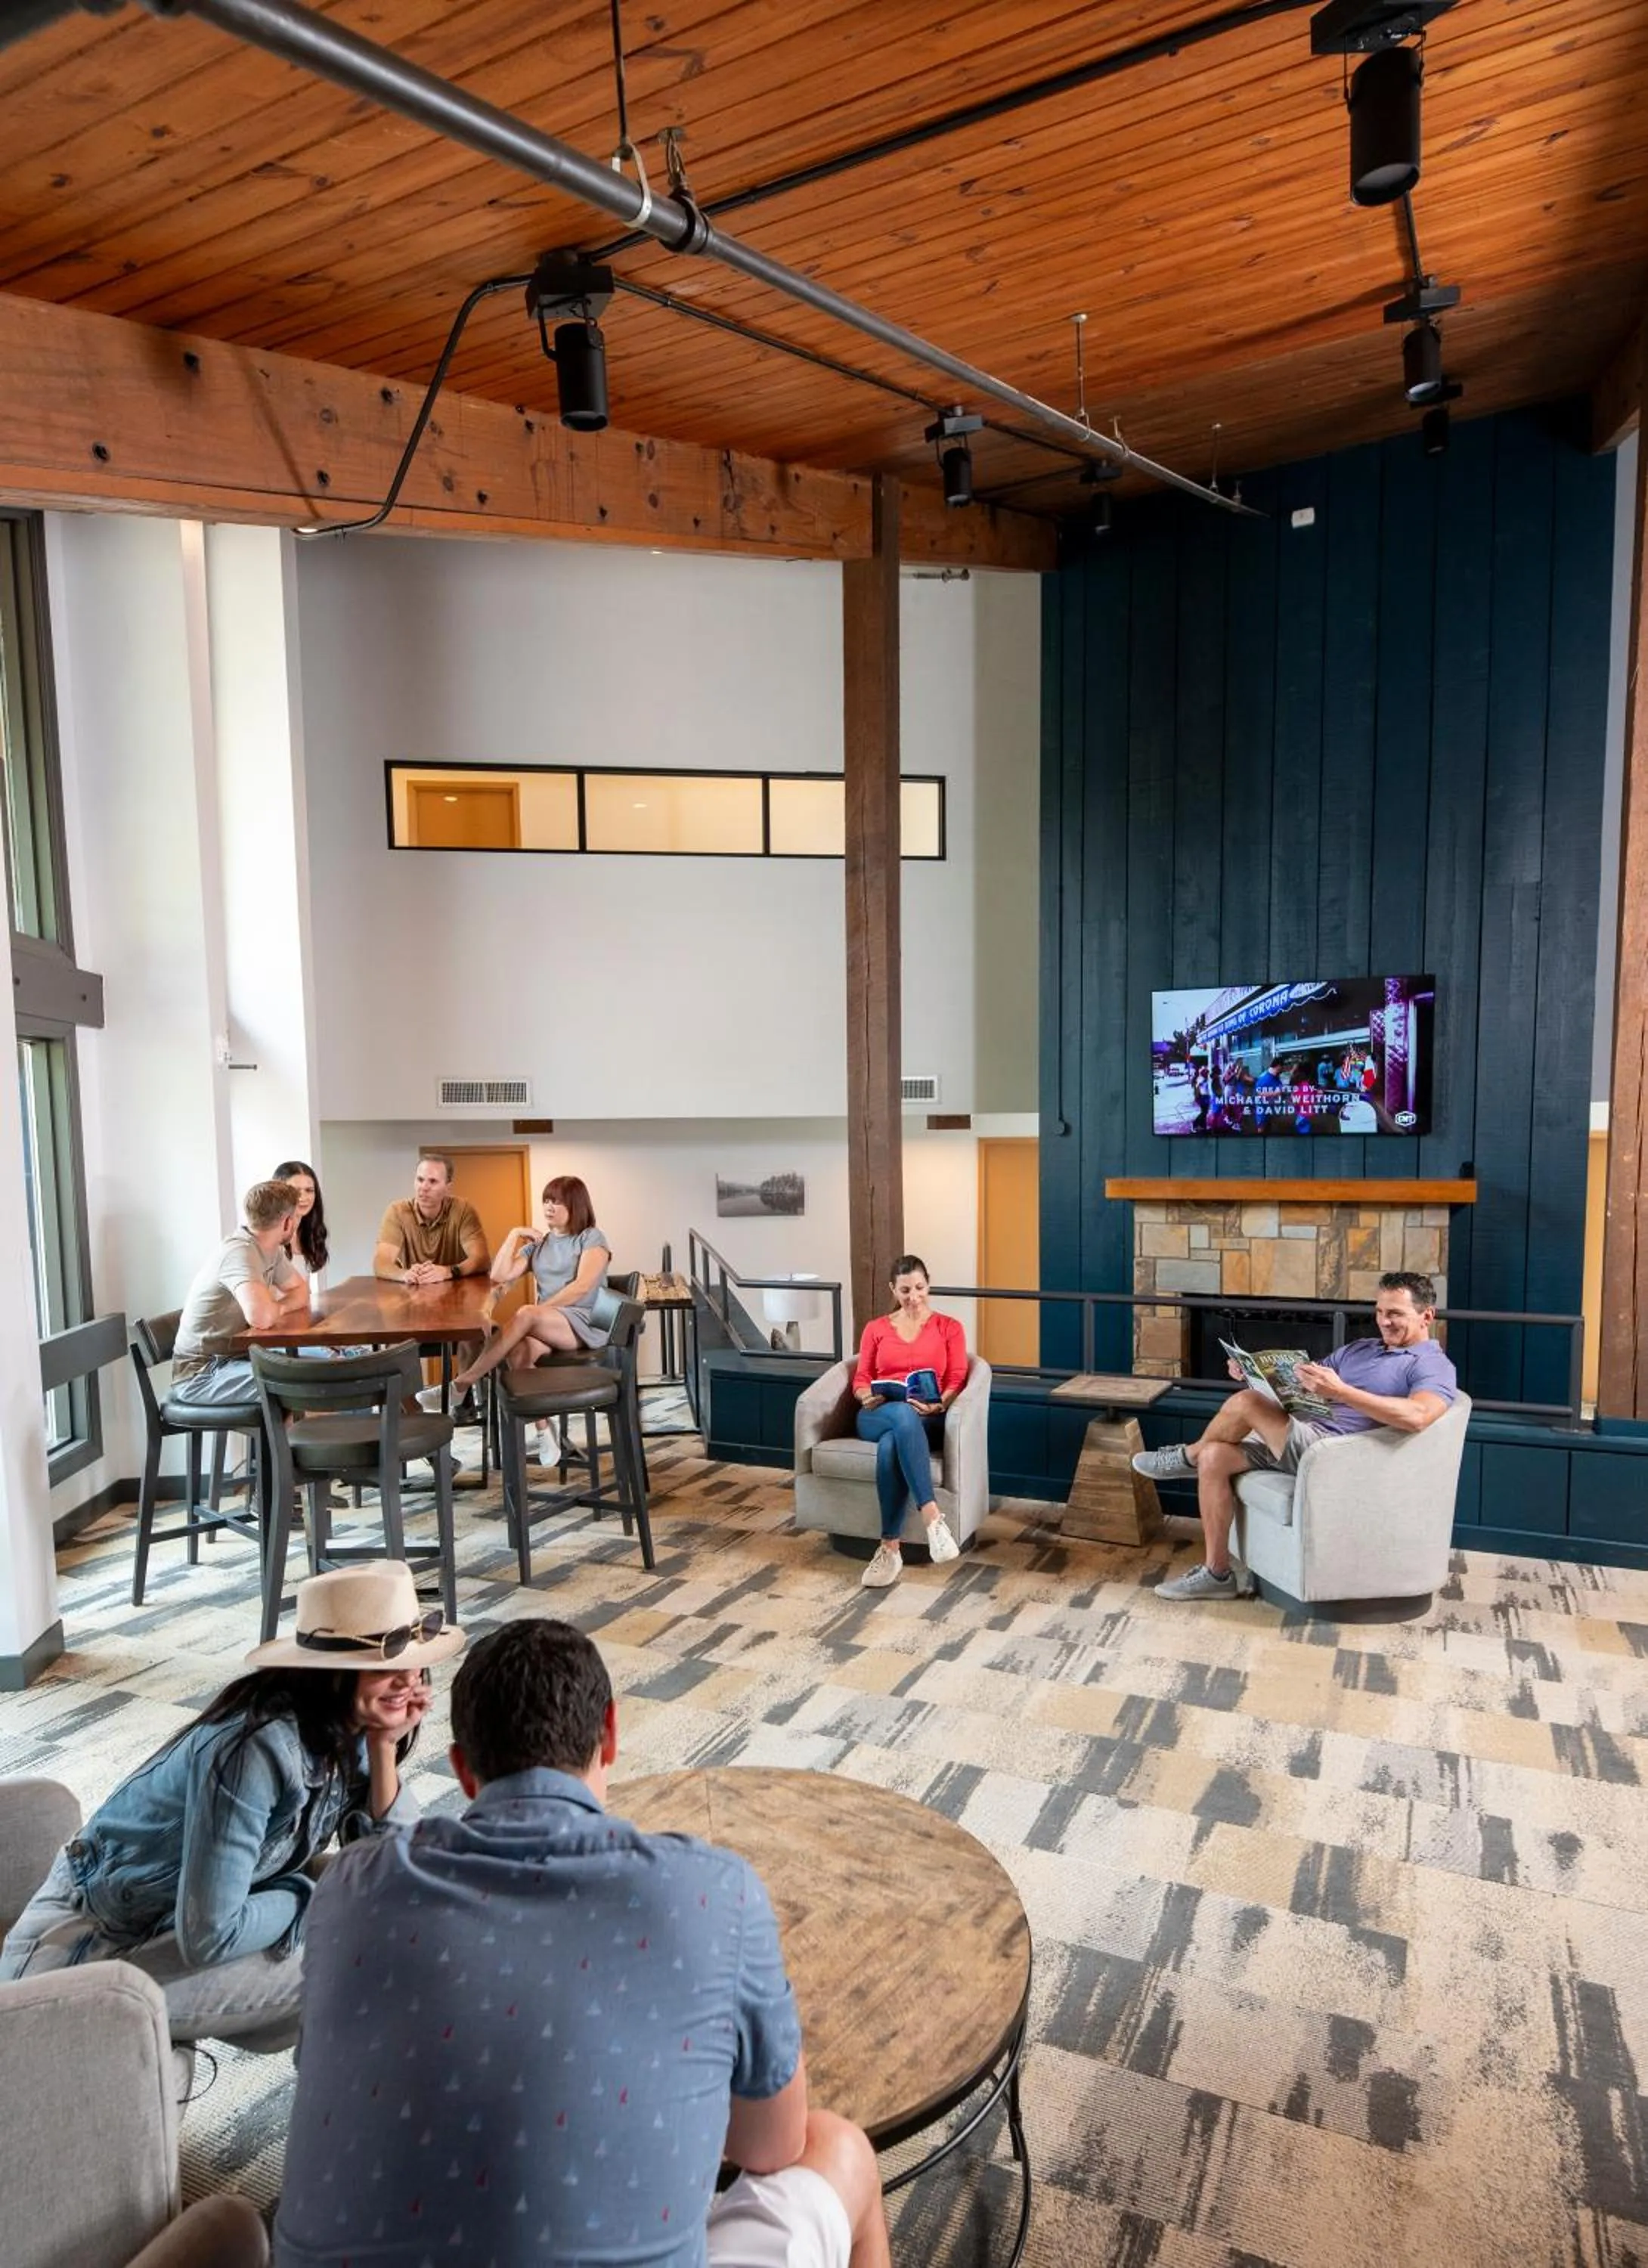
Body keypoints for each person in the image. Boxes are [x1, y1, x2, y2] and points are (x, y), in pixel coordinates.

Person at [272, 1618, 891, 2268]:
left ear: (462, 1770)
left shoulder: (345, 1893)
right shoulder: (714, 1891)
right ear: (612, 1732)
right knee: (838, 2147)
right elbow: (771, 2147)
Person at [0, 1564, 460, 2058]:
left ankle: (343, 2114)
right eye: (387, 1665)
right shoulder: (257, 1750)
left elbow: (400, 1870)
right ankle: (337, 2121)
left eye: (415, 1661)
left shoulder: (351, 1727)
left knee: (381, 1914)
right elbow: (212, 1936)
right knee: (349, 1949)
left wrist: (385, 1745)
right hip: (88, 1947)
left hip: (169, 1930)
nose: (409, 1681)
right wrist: (315, 1898)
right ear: (333, 1673)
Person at [1131, 1272, 1457, 1602]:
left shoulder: (1432, 1365)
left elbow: (1418, 1417)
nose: (1383, 1322)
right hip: (1302, 1433)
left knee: (1246, 1405)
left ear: (1427, 1315)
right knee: (1215, 1457)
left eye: (1395, 1314)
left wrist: (1343, 1392)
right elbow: (1302, 1383)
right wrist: (1255, 1373)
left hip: (1334, 1454)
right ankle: (1217, 1574)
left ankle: (1187, 1457)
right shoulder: (1361, 1349)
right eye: (1379, 1312)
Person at [448, 1176, 613, 1462]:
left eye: (557, 1201)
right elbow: (499, 1276)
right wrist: (515, 1234)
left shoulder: (591, 1237)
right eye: (546, 1201)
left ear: (575, 1204)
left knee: (526, 1313)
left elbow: (582, 1287)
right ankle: (544, 1431)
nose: (549, 1207)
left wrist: (540, 1312)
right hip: (549, 1325)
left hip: (584, 1322)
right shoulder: (539, 1244)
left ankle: (463, 1383)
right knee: (519, 1351)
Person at [850, 1254, 966, 1590]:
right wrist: (865, 1397)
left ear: (928, 1284)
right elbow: (861, 1378)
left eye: (919, 1288)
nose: (913, 1297)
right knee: (899, 1414)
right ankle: (933, 1519)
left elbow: (957, 1376)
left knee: (891, 1446)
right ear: (893, 1289)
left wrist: (939, 1405)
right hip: (878, 1412)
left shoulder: (949, 1328)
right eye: (905, 1290)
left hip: (926, 1418)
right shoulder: (876, 1329)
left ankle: (890, 1548)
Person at [170, 1178, 311, 1406]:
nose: (297, 1223)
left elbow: (301, 1290)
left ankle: (291, 1442)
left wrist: (278, 1307)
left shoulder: (268, 1248)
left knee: (328, 1364)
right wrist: (277, 1307)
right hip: (201, 1374)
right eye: (295, 1217)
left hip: (237, 1359)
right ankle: (291, 1443)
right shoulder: (239, 1253)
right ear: (287, 1222)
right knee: (305, 1382)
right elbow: (262, 1317)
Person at [372, 1151, 490, 1284]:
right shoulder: (397, 1211)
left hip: (455, 1292)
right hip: (413, 1291)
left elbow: (482, 1259)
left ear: (448, 1187)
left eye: (433, 1181)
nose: (424, 1187)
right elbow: (381, 1263)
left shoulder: (463, 1210)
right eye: (420, 1180)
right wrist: (405, 1274)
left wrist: (448, 1272)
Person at [273, 1157, 329, 1281]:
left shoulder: (308, 1231)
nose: (302, 1197)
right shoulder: (270, 1235)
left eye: (309, 1190)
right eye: (294, 1191)